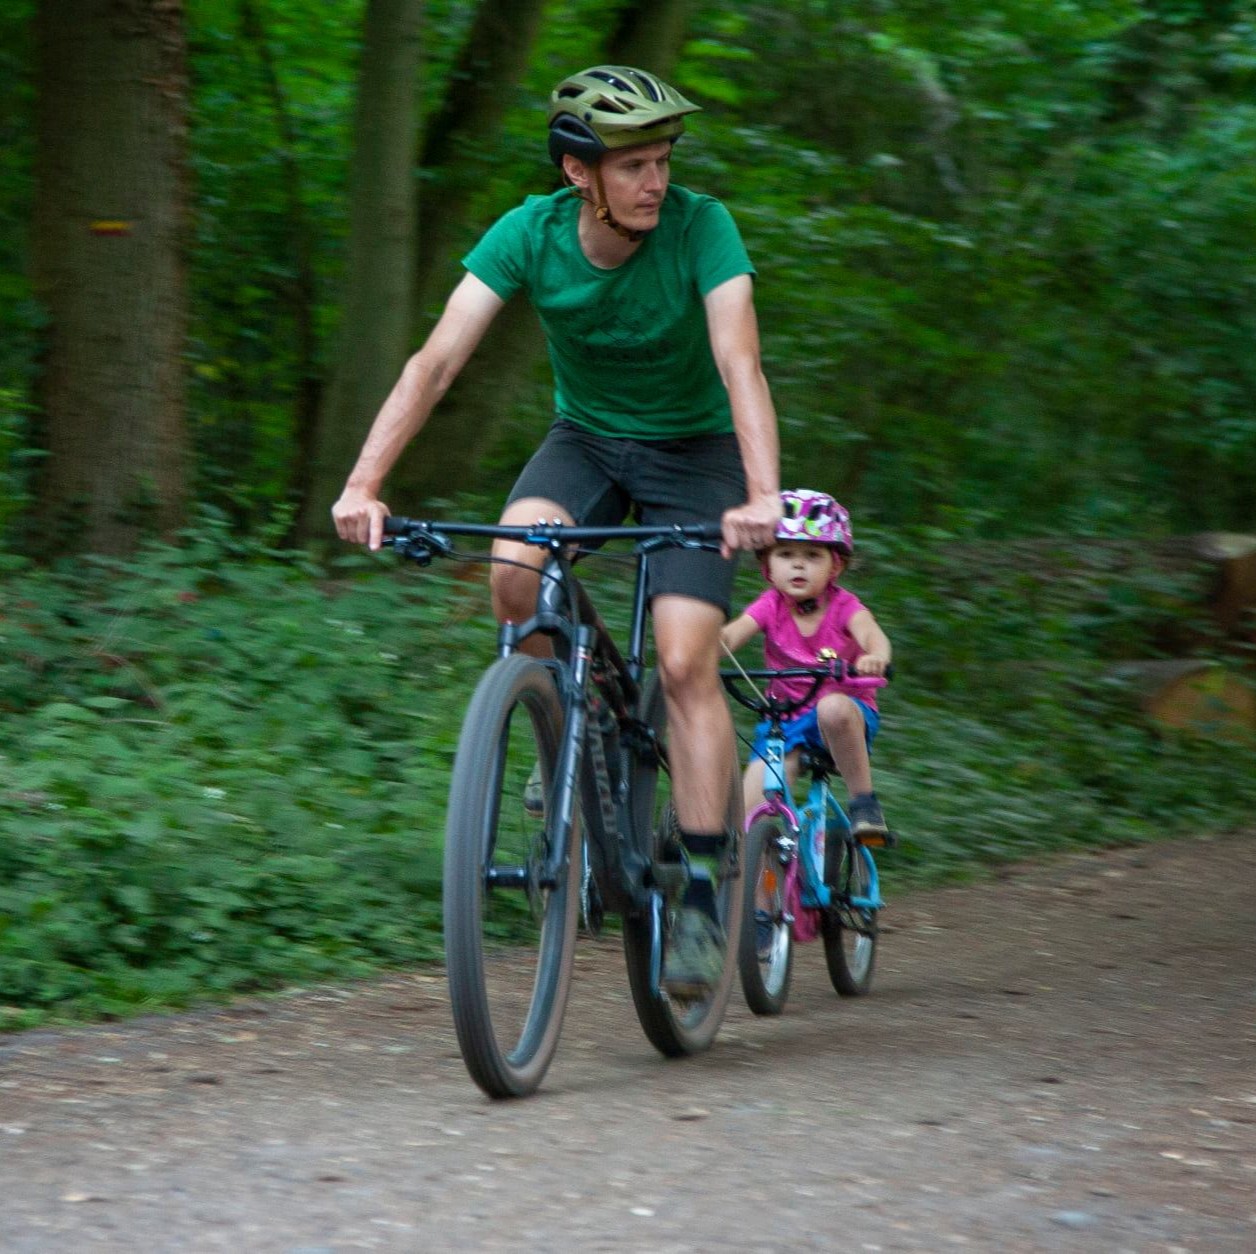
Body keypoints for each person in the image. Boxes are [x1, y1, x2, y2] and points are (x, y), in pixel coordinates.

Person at [332, 65, 783, 997]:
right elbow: (436, 361)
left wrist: (763, 494)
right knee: (511, 572)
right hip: (586, 442)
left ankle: (700, 892)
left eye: (661, 161)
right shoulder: (528, 235)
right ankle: (561, 732)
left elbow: (739, 362)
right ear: (580, 174)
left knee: (685, 659)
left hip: (695, 456)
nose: (655, 181)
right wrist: (365, 482)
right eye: (632, 166)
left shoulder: (703, 228)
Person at [720, 489, 894, 842]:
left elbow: (872, 635)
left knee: (832, 708)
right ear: (767, 565)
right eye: (785, 554)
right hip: (785, 722)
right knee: (745, 816)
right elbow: (735, 633)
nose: (798, 565)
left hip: (845, 716)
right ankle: (764, 885)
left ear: (836, 564)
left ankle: (864, 803)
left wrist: (875, 656)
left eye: (813, 555)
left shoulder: (845, 606)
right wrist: (706, 649)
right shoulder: (770, 605)